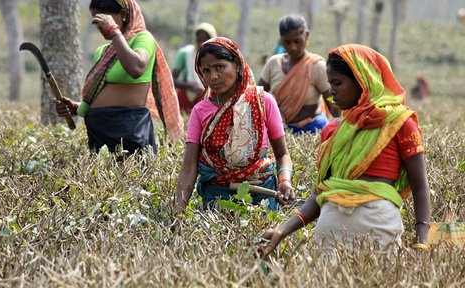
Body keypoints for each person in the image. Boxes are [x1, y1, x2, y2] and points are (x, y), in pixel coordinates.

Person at [259, 44, 431, 257]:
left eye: (338, 83)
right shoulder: (334, 130)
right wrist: (281, 230)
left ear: (363, 80)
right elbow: (320, 192)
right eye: (330, 84)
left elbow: (420, 186)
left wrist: (421, 241)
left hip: (379, 232)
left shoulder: (398, 122)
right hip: (330, 236)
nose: (331, 92)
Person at [54, 0, 183, 154]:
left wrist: (114, 31)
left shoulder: (142, 38)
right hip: (99, 130)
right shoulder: (104, 52)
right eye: (96, 20)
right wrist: (76, 108)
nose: (100, 26)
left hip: (130, 130)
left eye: (103, 19)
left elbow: (136, 68)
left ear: (123, 14)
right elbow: (103, 95)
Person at [174, 37, 294, 215]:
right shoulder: (200, 110)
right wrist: (178, 212)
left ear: (237, 65)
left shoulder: (263, 101)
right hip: (217, 197)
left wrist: (284, 180)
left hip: (262, 196)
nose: (213, 76)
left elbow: (282, 154)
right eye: (206, 70)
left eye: (219, 67)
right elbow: (189, 166)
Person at [258, 14, 340, 135]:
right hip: (281, 131)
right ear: (281, 40)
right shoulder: (273, 63)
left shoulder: (317, 66)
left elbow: (334, 109)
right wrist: (275, 112)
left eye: (297, 41)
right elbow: (257, 98)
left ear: (306, 36)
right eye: (287, 42)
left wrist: (335, 99)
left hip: (314, 130)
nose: (293, 47)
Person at [172, 22, 217, 114]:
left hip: (207, 98)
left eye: (204, 40)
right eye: (198, 40)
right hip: (185, 97)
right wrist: (190, 85)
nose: (201, 44)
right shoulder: (185, 53)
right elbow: (172, 80)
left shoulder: (217, 57)